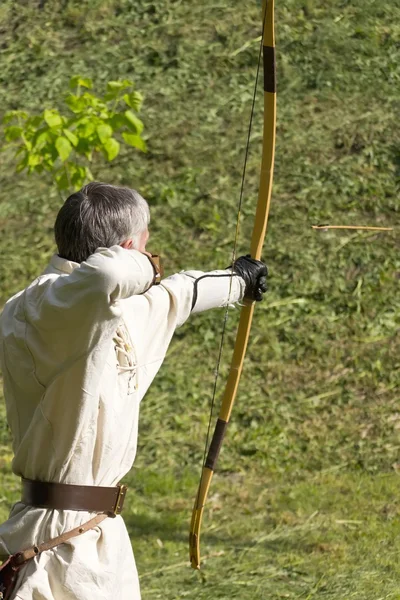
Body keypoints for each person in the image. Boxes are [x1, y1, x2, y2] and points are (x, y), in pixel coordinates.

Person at [0, 181, 268, 600]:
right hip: (54, 536)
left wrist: (238, 281)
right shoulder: (39, 305)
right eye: (145, 247)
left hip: (98, 534)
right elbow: (108, 274)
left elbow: (176, 296)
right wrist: (139, 262)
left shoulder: (111, 312)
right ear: (127, 248)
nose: (150, 257)